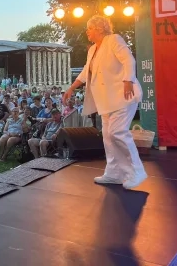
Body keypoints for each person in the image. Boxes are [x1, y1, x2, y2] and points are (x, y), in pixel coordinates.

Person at [63, 15, 147, 189]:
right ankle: (114, 173)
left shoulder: (114, 40)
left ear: (99, 28)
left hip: (124, 96)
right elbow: (86, 72)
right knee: (108, 137)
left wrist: (128, 80)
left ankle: (136, 171)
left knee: (117, 132)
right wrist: (71, 88)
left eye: (89, 28)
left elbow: (129, 60)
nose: (87, 31)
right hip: (106, 101)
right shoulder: (92, 49)